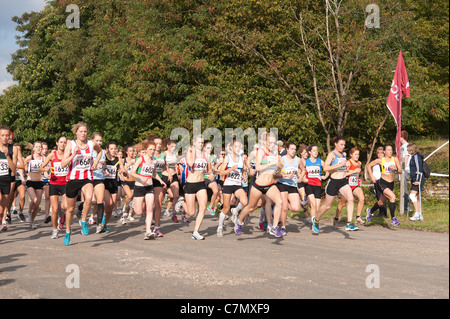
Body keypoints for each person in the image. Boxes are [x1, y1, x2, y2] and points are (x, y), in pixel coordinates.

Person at [233, 131, 284, 237]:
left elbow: (276, 170)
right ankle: (239, 221)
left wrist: (279, 166)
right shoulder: (261, 152)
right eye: (269, 142)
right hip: (259, 185)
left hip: (270, 185)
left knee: (279, 202)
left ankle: (274, 227)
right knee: (251, 207)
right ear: (265, 142)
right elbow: (258, 167)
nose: (272, 145)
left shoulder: (275, 154)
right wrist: (271, 163)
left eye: (273, 143)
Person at [60, 122, 102, 246]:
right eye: (81, 131)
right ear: (76, 132)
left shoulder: (91, 144)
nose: (83, 134)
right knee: (70, 209)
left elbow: (99, 152)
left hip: (86, 177)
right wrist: (74, 154)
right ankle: (68, 232)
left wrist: (95, 164)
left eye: (85, 131)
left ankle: (83, 221)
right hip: (72, 179)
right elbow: (63, 164)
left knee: (89, 198)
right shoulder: (70, 145)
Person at [314, 136, 358, 233]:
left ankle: (349, 223)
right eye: (341, 145)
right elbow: (325, 168)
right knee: (327, 206)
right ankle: (316, 220)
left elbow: (342, 168)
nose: (343, 147)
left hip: (343, 181)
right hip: (334, 182)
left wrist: (345, 169)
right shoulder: (331, 154)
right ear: (335, 144)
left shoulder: (343, 154)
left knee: (350, 199)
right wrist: (339, 165)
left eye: (344, 145)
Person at [129, 140, 167, 240]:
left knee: (150, 209)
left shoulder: (154, 161)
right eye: (150, 149)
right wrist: (141, 177)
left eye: (153, 150)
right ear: (145, 150)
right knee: (138, 212)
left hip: (149, 187)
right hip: (139, 186)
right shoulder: (140, 159)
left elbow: (154, 174)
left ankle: (148, 231)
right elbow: (132, 172)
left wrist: (161, 181)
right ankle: (133, 203)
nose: (152, 151)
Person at [184, 135, 214, 240]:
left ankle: (195, 232)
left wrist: (211, 175)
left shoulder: (207, 155)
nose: (201, 144)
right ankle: (181, 202)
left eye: (202, 142)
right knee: (191, 213)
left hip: (201, 184)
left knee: (203, 208)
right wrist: (192, 152)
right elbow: (190, 163)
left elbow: (209, 170)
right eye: (199, 142)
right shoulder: (190, 152)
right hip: (190, 184)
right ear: (194, 143)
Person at [217, 140, 248, 238]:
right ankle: (220, 227)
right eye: (236, 146)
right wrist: (230, 169)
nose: (238, 148)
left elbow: (242, 170)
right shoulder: (227, 157)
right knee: (226, 208)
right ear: (232, 148)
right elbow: (221, 173)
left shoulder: (241, 159)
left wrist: (243, 176)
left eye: (240, 147)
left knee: (245, 201)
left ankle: (235, 211)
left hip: (237, 185)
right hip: (228, 185)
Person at [39, 136, 69, 238]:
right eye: (61, 142)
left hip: (65, 183)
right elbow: (40, 168)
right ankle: (55, 230)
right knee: (54, 209)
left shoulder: (68, 154)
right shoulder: (52, 155)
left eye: (65, 142)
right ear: (57, 143)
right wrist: (45, 171)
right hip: (54, 184)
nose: (63, 144)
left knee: (65, 206)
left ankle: (61, 210)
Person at [366, 144, 402, 226]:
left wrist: (395, 169)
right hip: (382, 183)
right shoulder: (380, 160)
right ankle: (393, 219)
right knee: (392, 197)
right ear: (384, 152)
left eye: (391, 150)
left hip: (391, 184)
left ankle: (370, 212)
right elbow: (369, 166)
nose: (390, 151)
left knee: (381, 203)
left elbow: (400, 171)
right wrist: (372, 176)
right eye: (388, 150)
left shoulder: (395, 159)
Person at [334, 148, 365, 225]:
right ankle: (336, 218)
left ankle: (358, 217)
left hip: (355, 185)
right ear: (351, 155)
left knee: (362, 198)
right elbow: (343, 174)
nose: (357, 156)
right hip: (346, 185)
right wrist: (353, 171)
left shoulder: (359, 163)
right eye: (355, 154)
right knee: (343, 203)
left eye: (358, 154)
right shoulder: (348, 163)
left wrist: (359, 179)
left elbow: (357, 174)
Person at [276, 142, 301, 236]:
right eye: (292, 149)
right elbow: (275, 174)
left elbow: (303, 169)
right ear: (287, 149)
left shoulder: (298, 160)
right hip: (282, 184)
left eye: (295, 149)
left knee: (296, 208)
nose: (293, 151)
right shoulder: (282, 160)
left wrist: (301, 176)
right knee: (285, 208)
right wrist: (286, 175)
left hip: (293, 185)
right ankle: (283, 227)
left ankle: (283, 205)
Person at [302, 144, 329, 228]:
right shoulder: (305, 162)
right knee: (313, 205)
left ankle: (315, 220)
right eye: (314, 150)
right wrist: (303, 178)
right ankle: (314, 224)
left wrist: (325, 176)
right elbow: (300, 171)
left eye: (317, 150)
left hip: (318, 185)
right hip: (309, 184)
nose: (316, 152)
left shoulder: (320, 161)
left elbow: (327, 171)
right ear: (309, 152)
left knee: (317, 207)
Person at [0, 126, 18, 231]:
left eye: (7, 135)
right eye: (2, 135)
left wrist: (7, 156)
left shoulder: (13, 149)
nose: (5, 137)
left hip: (6, 179)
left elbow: (13, 168)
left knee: (2, 210)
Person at [24, 141, 45, 229]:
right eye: (37, 147)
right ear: (33, 148)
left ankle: (32, 221)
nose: (38, 148)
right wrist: (26, 165)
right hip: (30, 181)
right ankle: (29, 211)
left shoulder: (43, 158)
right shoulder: (29, 157)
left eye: (40, 147)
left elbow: (47, 168)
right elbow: (24, 169)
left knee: (37, 205)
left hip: (39, 182)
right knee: (34, 199)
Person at [89, 132, 106, 232]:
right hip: (89, 178)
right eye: (97, 140)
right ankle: (80, 207)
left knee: (100, 200)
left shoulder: (102, 152)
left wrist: (104, 168)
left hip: (99, 178)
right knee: (90, 201)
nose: (99, 143)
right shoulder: (88, 151)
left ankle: (99, 225)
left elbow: (104, 164)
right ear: (92, 141)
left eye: (100, 141)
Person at [162, 139, 180, 223]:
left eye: (174, 146)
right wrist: (169, 164)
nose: (173, 148)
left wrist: (179, 169)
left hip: (174, 176)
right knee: (160, 198)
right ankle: (166, 196)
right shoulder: (164, 154)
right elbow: (163, 164)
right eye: (172, 146)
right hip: (165, 176)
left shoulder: (175, 154)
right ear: (168, 146)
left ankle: (173, 214)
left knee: (176, 196)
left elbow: (176, 164)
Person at [407, 143, 426, 221]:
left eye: (408, 149)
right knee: (416, 197)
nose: (407, 151)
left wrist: (417, 180)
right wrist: (411, 180)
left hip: (418, 179)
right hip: (415, 179)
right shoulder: (414, 156)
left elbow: (419, 169)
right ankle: (419, 214)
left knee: (412, 196)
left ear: (412, 149)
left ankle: (417, 213)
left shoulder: (416, 157)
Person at [120, 145, 137, 222]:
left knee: (132, 197)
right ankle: (125, 207)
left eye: (133, 151)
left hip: (133, 181)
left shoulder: (136, 160)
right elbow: (119, 170)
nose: (132, 152)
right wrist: (121, 176)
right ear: (127, 152)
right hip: (126, 181)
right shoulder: (124, 160)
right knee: (129, 195)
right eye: (130, 151)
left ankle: (125, 214)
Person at [400, 130, 411, 212]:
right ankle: (404, 206)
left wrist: (403, 168)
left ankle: (408, 206)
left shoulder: (406, 146)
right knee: (402, 188)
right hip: (402, 170)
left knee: (404, 188)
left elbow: (406, 157)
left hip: (405, 170)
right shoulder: (402, 146)